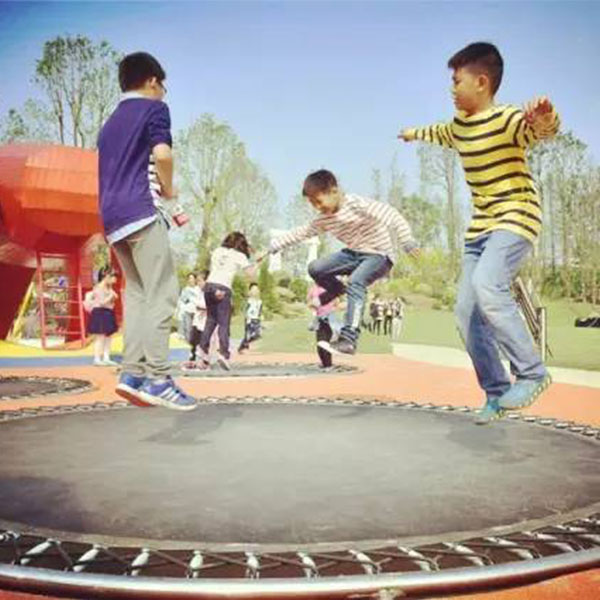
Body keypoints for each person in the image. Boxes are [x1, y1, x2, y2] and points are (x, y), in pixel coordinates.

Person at [399, 42, 558, 423]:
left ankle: (532, 372)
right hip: (480, 229)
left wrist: (545, 116)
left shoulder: (506, 119)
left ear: (482, 82)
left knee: (488, 284)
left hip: (516, 217)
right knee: (465, 312)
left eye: (457, 81)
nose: (451, 89)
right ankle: (498, 392)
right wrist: (412, 133)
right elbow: (438, 132)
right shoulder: (458, 127)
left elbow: (539, 131)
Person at [97, 51, 196, 411]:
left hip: (112, 219)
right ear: (153, 81)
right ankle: (158, 379)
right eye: (163, 86)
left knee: (138, 294)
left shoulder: (109, 123)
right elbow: (163, 156)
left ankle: (131, 374)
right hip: (141, 211)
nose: (164, 93)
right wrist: (169, 191)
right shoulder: (154, 109)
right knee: (164, 293)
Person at [267, 169, 419, 356]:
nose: (318, 207)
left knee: (356, 282)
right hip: (354, 254)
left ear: (334, 191)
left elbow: (392, 215)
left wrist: (407, 240)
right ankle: (337, 289)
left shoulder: (357, 204)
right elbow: (302, 232)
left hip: (379, 255)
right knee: (316, 268)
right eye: (313, 203)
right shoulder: (325, 219)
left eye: (319, 201)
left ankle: (349, 339)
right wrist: (274, 246)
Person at [199, 232, 257, 370]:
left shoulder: (217, 251)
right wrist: (255, 263)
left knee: (211, 321)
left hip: (209, 286)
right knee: (223, 323)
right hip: (223, 287)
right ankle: (223, 354)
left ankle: (203, 353)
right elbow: (251, 274)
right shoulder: (239, 255)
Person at [85, 267, 119, 366]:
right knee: (100, 337)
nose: (115, 278)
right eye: (113, 276)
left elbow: (114, 298)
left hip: (108, 312)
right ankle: (97, 358)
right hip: (100, 312)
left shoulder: (109, 288)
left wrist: (112, 294)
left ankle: (106, 357)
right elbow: (101, 302)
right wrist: (111, 296)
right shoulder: (98, 287)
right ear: (106, 276)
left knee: (108, 336)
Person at [307, 283, 342, 369]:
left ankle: (328, 365)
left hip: (329, 318)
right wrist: (314, 306)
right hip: (319, 319)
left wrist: (331, 309)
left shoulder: (329, 288)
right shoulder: (313, 289)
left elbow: (337, 303)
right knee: (319, 344)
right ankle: (324, 364)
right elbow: (309, 303)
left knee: (325, 344)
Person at [184, 271, 208, 368]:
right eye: (197, 281)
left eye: (200, 281)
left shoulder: (209, 292)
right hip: (197, 320)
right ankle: (192, 360)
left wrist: (197, 304)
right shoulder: (198, 291)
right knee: (193, 340)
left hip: (205, 321)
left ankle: (205, 361)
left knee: (204, 342)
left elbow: (206, 305)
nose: (198, 283)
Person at [238, 282, 263, 353]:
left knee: (257, 334)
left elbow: (259, 311)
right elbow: (245, 309)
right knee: (248, 334)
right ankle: (242, 347)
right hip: (249, 319)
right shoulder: (249, 300)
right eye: (253, 290)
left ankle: (246, 343)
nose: (255, 291)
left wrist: (260, 317)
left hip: (256, 319)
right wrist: (247, 317)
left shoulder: (260, 301)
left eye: (256, 289)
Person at [178, 272, 198, 343]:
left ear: (195, 279)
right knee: (188, 328)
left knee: (196, 329)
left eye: (192, 278)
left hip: (197, 312)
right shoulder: (186, 290)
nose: (190, 280)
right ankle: (188, 343)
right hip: (188, 311)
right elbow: (182, 301)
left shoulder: (199, 289)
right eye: (189, 278)